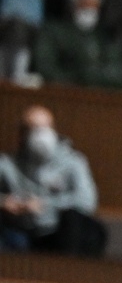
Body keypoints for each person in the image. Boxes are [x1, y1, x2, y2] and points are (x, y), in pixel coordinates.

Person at [0, 106, 102, 254]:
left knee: (82, 224)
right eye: (33, 129)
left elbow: (87, 201)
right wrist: (4, 203)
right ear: (21, 134)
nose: (41, 134)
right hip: (19, 231)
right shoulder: (7, 164)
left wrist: (45, 204)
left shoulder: (73, 162)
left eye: (45, 128)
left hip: (57, 232)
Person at [34, 0, 122, 90]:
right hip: (67, 92)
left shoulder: (104, 38)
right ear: (73, 5)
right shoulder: (54, 32)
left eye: (94, 6)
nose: (90, 10)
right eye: (85, 4)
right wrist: (78, 80)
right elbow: (46, 67)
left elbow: (117, 70)